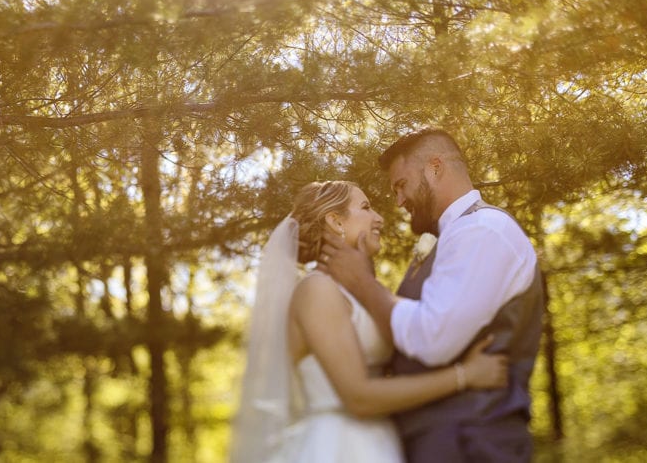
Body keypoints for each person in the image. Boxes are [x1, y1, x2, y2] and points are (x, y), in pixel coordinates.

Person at [230, 180, 509, 463]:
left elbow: (420, 335)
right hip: (336, 447)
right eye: (366, 208)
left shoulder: (359, 292)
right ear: (336, 221)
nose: (379, 218)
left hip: (377, 441)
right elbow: (359, 398)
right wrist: (465, 375)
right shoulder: (317, 290)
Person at [320, 129, 543, 462]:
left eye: (401, 185)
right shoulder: (453, 238)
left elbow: (432, 338)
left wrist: (361, 282)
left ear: (435, 168)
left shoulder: (483, 230)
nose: (398, 200)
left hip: (473, 444)